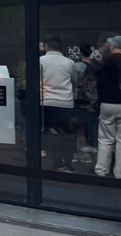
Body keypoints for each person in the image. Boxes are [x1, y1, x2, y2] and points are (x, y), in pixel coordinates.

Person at [40, 35, 79, 173]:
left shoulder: (40, 61)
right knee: (68, 136)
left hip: (46, 102)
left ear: (46, 47)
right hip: (66, 103)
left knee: (51, 136)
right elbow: (74, 82)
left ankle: (57, 164)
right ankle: (68, 163)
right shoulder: (69, 63)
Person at [95, 36, 121, 178]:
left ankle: (101, 170)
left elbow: (92, 57)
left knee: (105, 139)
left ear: (112, 46)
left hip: (107, 103)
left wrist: (106, 46)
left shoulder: (105, 61)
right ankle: (120, 174)